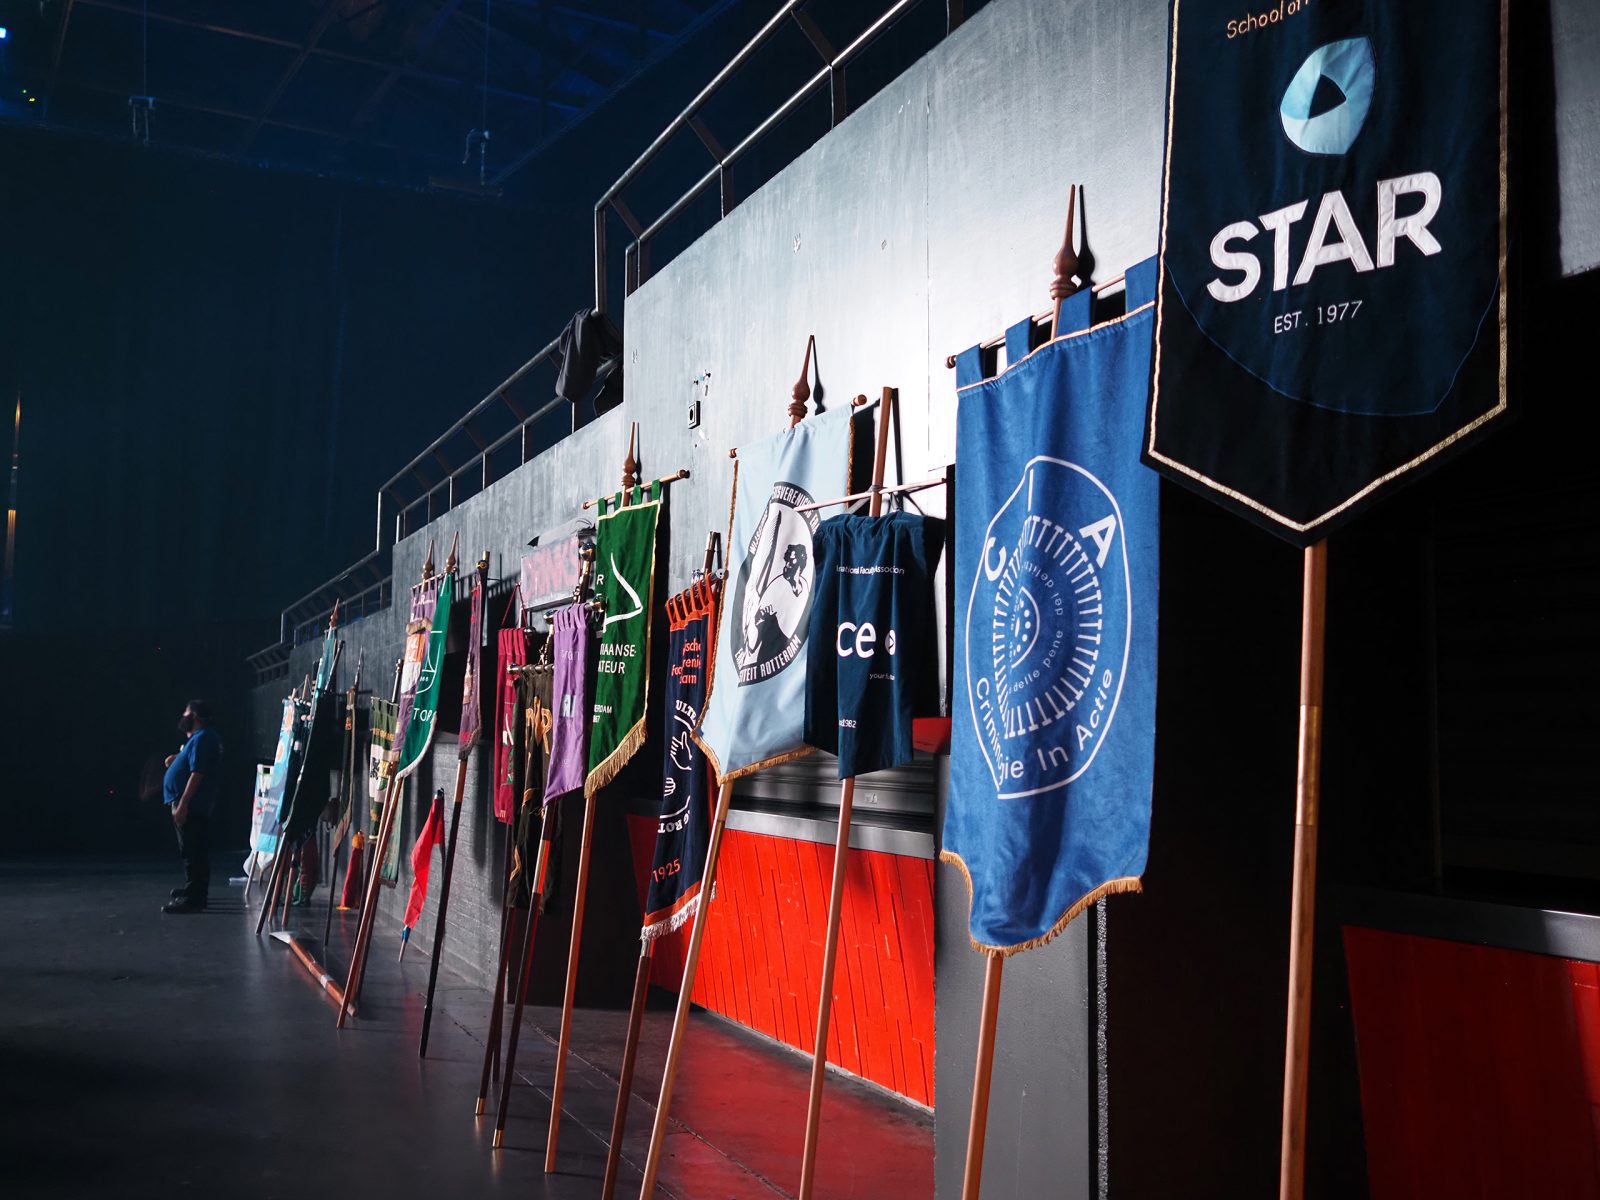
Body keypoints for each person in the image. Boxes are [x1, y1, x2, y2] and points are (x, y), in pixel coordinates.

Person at [162, 700, 223, 914]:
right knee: (191, 850)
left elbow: (197, 773)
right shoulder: (199, 738)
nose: (183, 717)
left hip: (193, 805)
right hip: (191, 805)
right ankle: (193, 889)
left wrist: (183, 804)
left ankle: (194, 898)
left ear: (195, 716)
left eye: (186, 713)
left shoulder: (203, 738)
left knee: (193, 852)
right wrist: (178, 758)